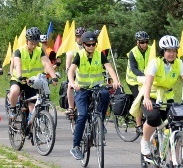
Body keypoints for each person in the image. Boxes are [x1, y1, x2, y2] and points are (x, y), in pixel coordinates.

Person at [140, 35, 183, 168]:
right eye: (168, 51)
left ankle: (176, 163)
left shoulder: (179, 64)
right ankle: (145, 141)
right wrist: (146, 98)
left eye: (174, 51)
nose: (171, 54)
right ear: (162, 52)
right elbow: (148, 82)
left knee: (176, 125)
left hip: (167, 97)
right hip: (151, 95)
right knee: (153, 117)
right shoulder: (155, 63)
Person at [68, 31, 120, 160]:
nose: (91, 47)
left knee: (105, 94)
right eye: (88, 44)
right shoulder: (79, 56)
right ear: (84, 44)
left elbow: (109, 68)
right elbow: (71, 70)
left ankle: (100, 121)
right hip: (82, 89)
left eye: (93, 44)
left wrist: (115, 81)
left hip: (97, 87)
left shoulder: (99, 55)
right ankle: (75, 147)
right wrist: (73, 83)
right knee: (83, 115)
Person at [8, 27, 59, 118]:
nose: (34, 46)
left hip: (33, 81)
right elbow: (18, 64)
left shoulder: (40, 51)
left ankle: (32, 128)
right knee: (14, 91)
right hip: (19, 79)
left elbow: (46, 63)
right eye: (31, 43)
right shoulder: (19, 51)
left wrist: (53, 76)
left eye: (36, 43)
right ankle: (12, 108)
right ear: (26, 41)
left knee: (33, 109)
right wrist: (20, 76)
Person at [126, 31, 151, 129]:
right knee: (140, 98)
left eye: (146, 42)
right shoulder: (133, 52)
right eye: (142, 42)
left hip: (146, 79)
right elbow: (134, 68)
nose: (144, 44)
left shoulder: (151, 50)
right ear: (137, 42)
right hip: (133, 80)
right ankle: (138, 125)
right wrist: (143, 76)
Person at [64, 26, 85, 117]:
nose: (80, 38)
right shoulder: (72, 48)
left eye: (82, 36)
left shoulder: (88, 46)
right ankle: (71, 107)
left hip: (86, 74)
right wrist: (69, 72)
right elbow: (68, 64)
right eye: (78, 36)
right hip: (75, 74)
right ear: (76, 37)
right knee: (70, 86)